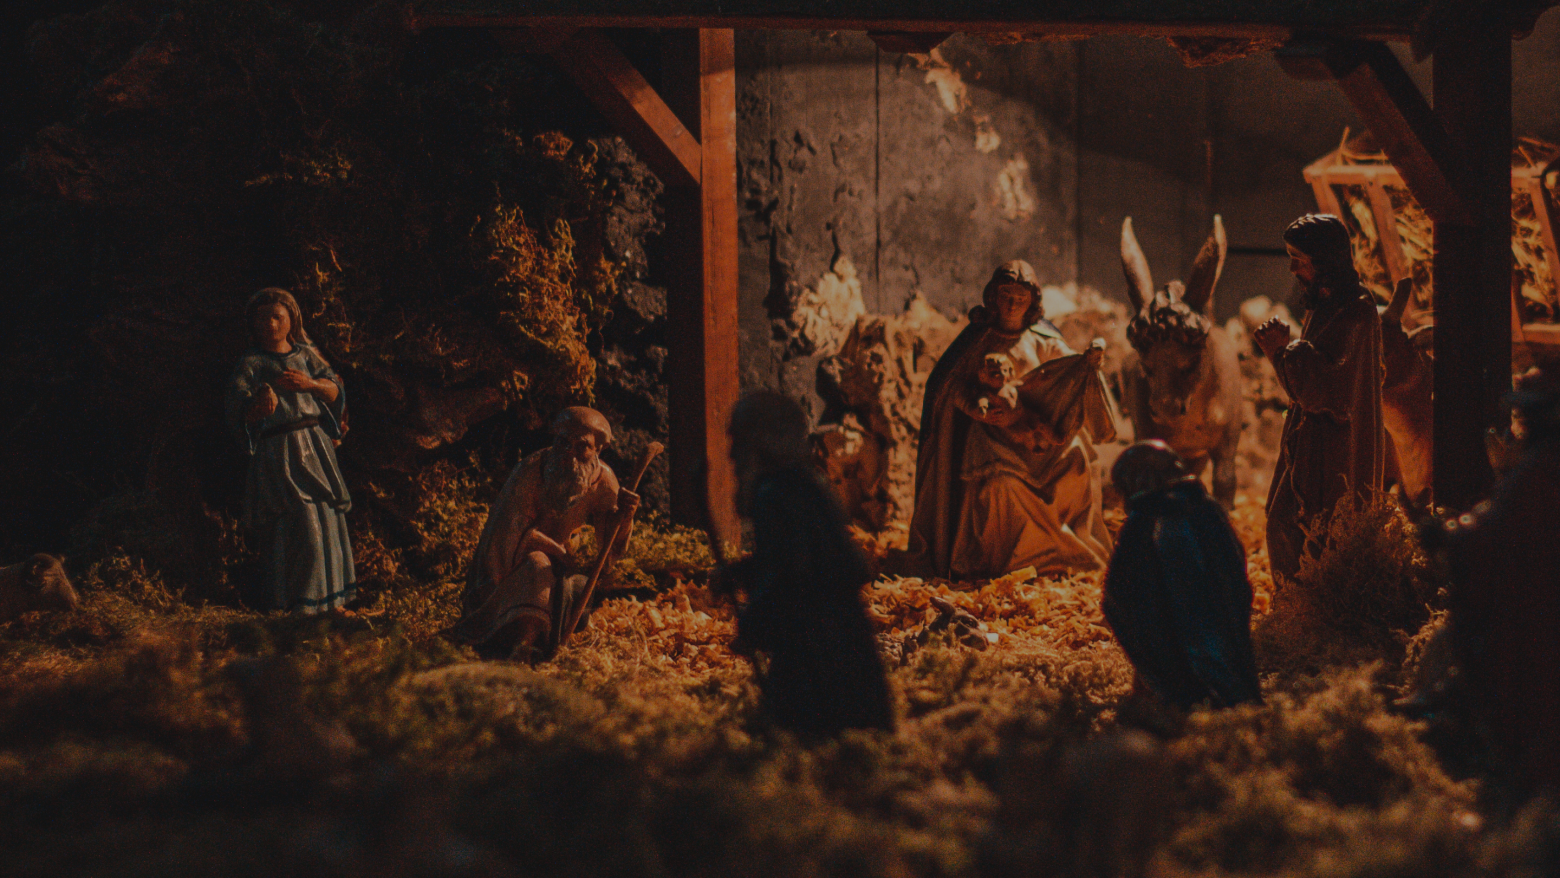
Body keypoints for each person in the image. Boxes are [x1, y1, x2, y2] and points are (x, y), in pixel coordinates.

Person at [909, 260, 1119, 580]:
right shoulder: (977, 341)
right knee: (1000, 484)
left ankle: (1064, 555)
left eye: (1021, 298)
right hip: (993, 440)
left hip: (1037, 437)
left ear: (1032, 301)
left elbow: (1068, 370)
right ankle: (1002, 563)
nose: (1012, 304)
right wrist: (974, 409)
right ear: (993, 296)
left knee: (1078, 455)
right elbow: (951, 386)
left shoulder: (1043, 338)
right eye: (1006, 295)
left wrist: (1089, 362)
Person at [722, 390, 893, 739]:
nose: (732, 455)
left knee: (814, 718)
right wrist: (742, 573)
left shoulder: (776, 495)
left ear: (762, 444)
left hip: (818, 639)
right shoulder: (801, 488)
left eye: (739, 443)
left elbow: (791, 574)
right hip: (829, 631)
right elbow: (788, 557)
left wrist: (755, 622)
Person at [1254, 214, 1388, 586]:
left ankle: (1304, 605)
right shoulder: (1325, 303)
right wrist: (1281, 355)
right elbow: (1308, 387)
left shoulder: (1355, 311)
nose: (1293, 269)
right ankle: (1294, 605)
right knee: (1284, 523)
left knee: (1297, 527)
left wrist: (1282, 351)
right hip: (1311, 444)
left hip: (1334, 450)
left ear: (1324, 260)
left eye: (1299, 260)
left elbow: (1326, 390)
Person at [449, 406, 638, 661]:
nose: (569, 452)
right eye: (563, 442)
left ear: (598, 450)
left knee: (578, 589)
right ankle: (522, 650)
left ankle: (543, 643)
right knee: (538, 568)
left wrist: (625, 517)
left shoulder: (603, 480)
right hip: (511, 567)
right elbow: (509, 535)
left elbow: (609, 540)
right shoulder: (530, 471)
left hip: (559, 567)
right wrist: (556, 550)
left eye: (582, 446)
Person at [1103, 441, 1261, 711]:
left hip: (1172, 648)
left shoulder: (1144, 522)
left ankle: (1184, 702)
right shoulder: (1207, 510)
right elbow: (1235, 571)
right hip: (1223, 630)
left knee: (1187, 682)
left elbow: (1121, 594)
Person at [226, 287, 355, 613]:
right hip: (280, 452)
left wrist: (310, 385)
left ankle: (332, 602)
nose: (270, 325)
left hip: (314, 445)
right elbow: (237, 405)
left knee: (327, 520)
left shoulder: (306, 357)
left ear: (291, 319)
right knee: (297, 524)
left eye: (277, 317)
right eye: (263, 319)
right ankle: (298, 604)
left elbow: (334, 390)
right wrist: (257, 406)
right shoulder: (252, 364)